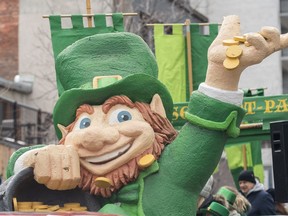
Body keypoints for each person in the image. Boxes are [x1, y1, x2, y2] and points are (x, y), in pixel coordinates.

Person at [3, 15, 288, 215]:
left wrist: (222, 76)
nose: (95, 137)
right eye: (85, 123)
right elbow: (17, 168)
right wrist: (33, 160)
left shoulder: (171, 175)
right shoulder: (66, 178)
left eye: (121, 117)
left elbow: (205, 132)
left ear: (155, 113)